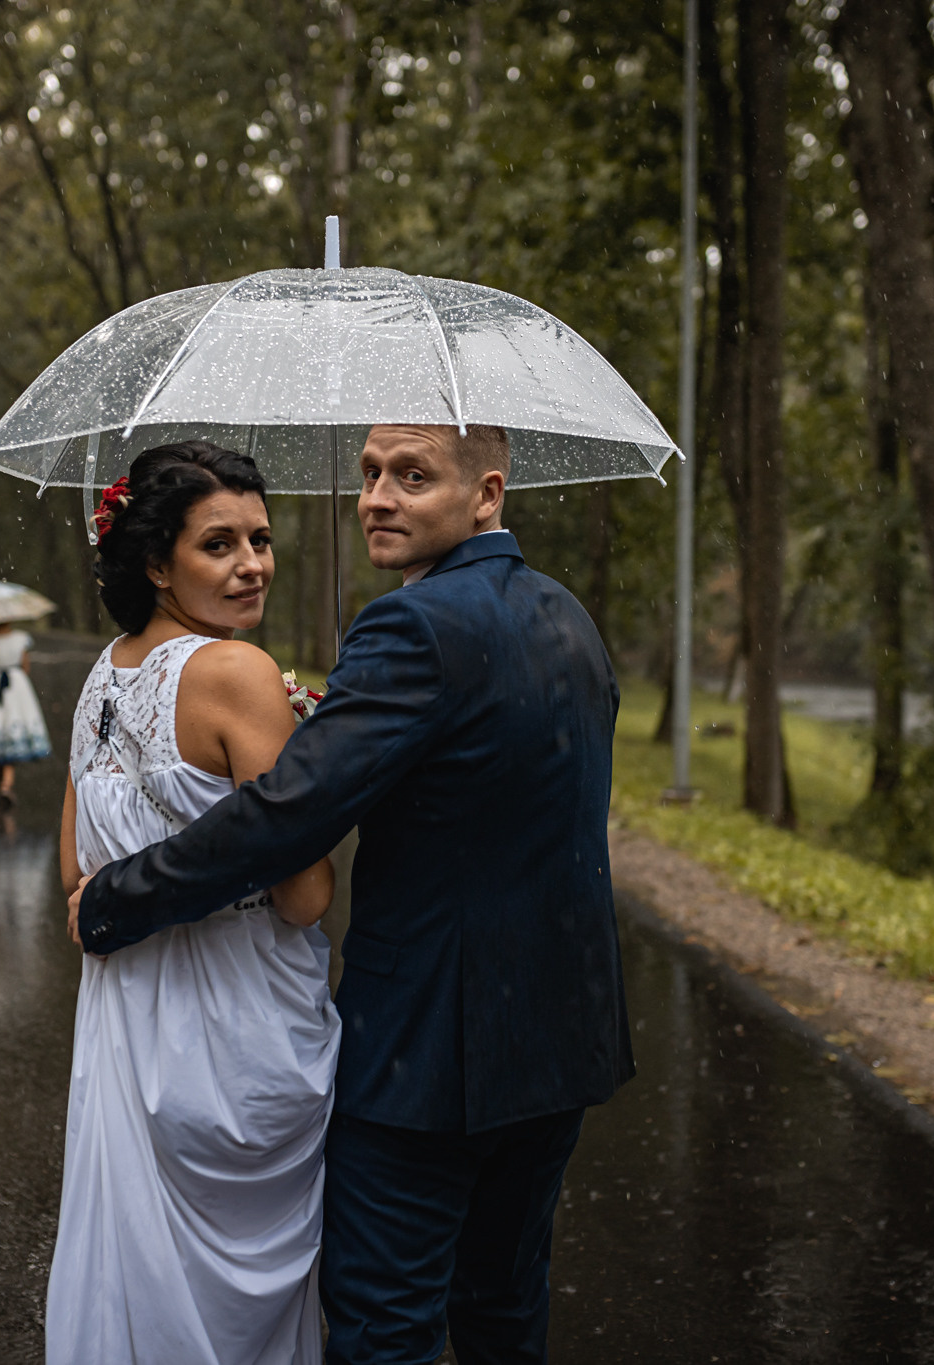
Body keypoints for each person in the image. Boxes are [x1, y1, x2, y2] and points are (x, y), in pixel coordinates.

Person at [70, 423, 632, 1365]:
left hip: (427, 1054)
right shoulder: (566, 615)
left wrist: (113, 899)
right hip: (558, 1042)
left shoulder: (411, 626)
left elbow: (281, 824)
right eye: (371, 474)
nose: (377, 497)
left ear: (486, 494)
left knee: (383, 1322)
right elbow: (482, 773)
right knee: (503, 1308)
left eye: (412, 476)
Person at [47, 440, 340, 1365]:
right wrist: (320, 768)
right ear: (155, 563)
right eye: (219, 543)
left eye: (261, 537)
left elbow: (75, 872)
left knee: (139, 1272)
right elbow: (305, 896)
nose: (252, 562)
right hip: (235, 1021)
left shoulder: (103, 674)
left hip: (130, 1021)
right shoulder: (239, 672)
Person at [0, 618, 52, 805]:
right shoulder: (20, 638)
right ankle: (6, 785)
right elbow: (26, 666)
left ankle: (2, 783)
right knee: (12, 730)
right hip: (16, 685)